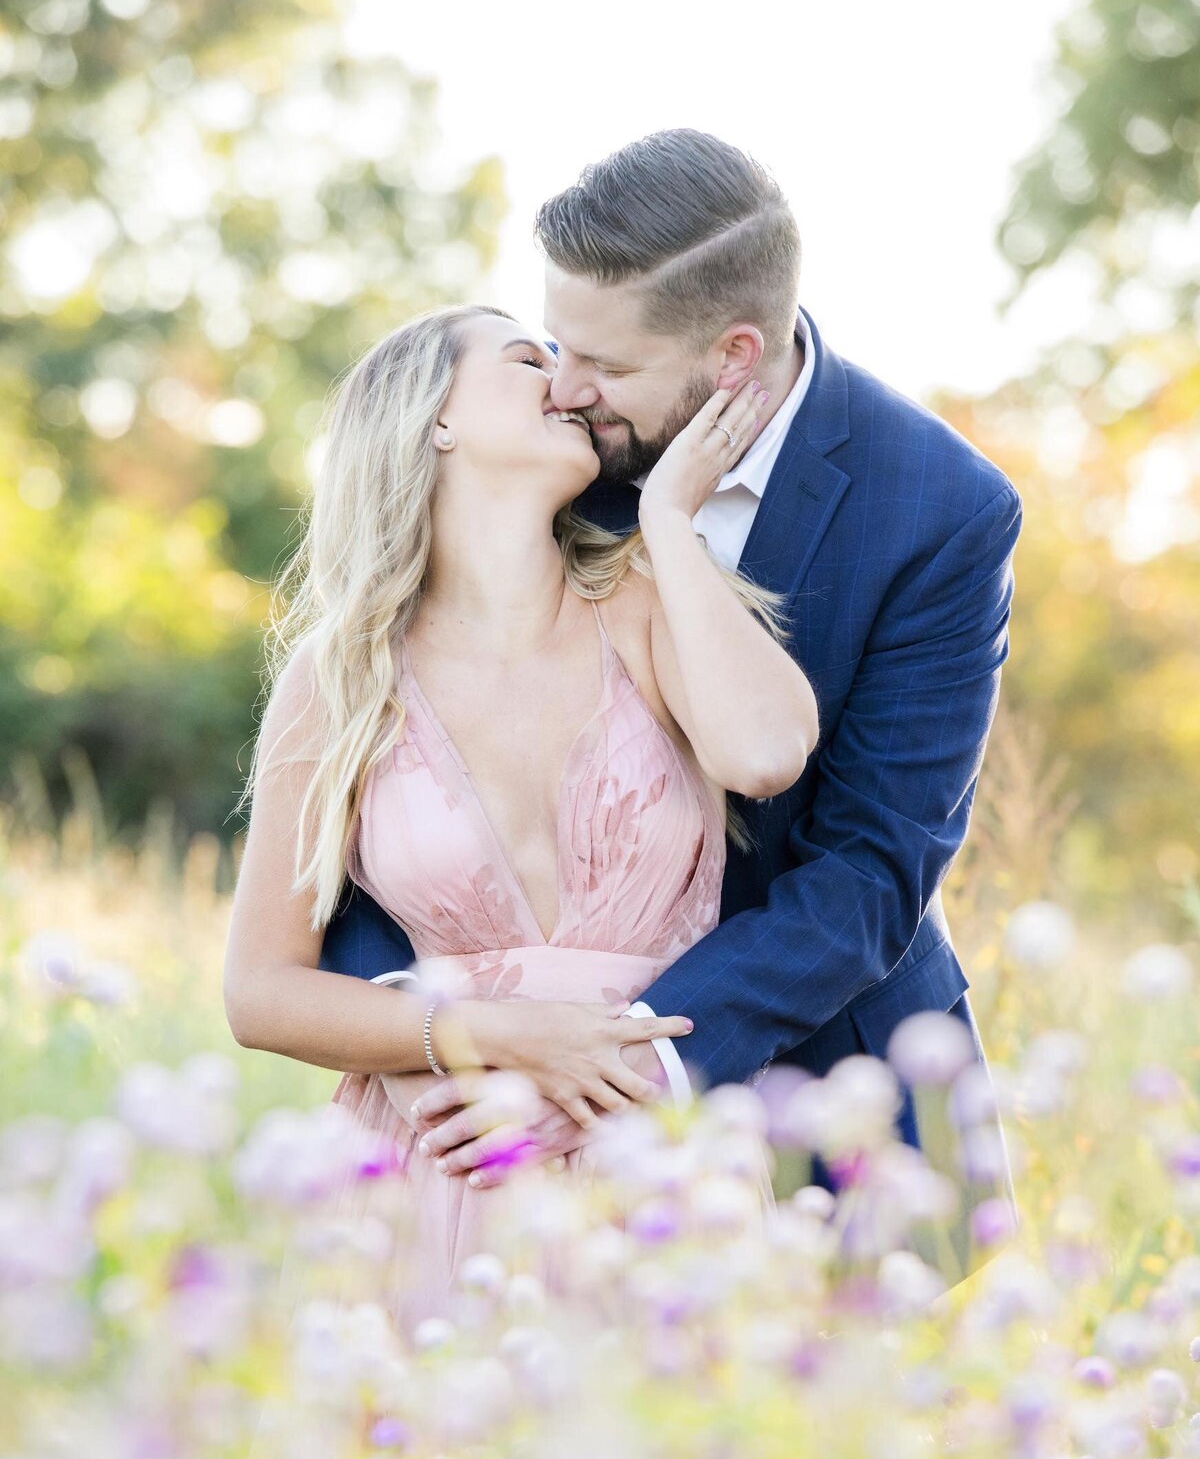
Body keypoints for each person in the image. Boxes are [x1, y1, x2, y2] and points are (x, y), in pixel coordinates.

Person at [320, 132, 1024, 1280]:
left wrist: (623, 1071)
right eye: (552, 346)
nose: (564, 385)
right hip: (488, 1106)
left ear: (731, 356)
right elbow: (387, 775)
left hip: (822, 1073)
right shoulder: (555, 454)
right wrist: (435, 1041)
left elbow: (869, 871)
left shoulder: (942, 511)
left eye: (599, 360)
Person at [223, 302, 818, 1317]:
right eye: (525, 357)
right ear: (435, 418)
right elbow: (260, 992)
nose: (564, 381)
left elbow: (763, 754)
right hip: (443, 1157)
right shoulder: (340, 680)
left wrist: (671, 519)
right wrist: (501, 1033)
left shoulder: (644, 600)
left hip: (648, 1150)